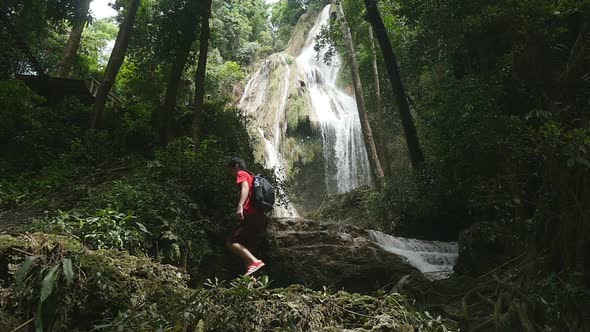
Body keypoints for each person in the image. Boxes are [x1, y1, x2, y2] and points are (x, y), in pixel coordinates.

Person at [226, 157, 266, 276]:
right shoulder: (252, 176)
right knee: (246, 247)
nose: (232, 174)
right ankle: (251, 280)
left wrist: (240, 206)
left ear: (236, 166)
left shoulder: (241, 173)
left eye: (231, 170)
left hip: (250, 214)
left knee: (231, 242)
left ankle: (255, 262)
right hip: (258, 216)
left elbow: (245, 187)